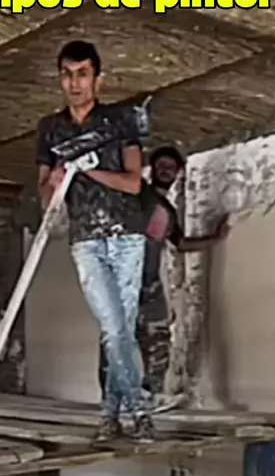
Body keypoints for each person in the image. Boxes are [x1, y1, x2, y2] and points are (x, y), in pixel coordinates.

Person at [35, 40, 155, 442]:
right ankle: (139, 410)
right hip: (85, 239)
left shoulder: (120, 121)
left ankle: (110, 414)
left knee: (117, 331)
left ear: (97, 79)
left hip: (127, 235)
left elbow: (134, 183)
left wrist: (86, 170)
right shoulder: (50, 129)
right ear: (59, 79)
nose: (75, 83)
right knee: (113, 327)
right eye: (67, 75)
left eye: (83, 74)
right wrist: (56, 181)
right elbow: (46, 195)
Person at [98, 145, 230, 411]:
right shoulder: (135, 196)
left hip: (150, 285)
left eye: (171, 168)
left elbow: (179, 243)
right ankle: (113, 400)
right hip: (123, 282)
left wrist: (215, 239)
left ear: (177, 173)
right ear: (153, 170)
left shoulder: (167, 210)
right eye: (161, 167)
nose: (166, 171)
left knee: (158, 340)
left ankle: (151, 395)